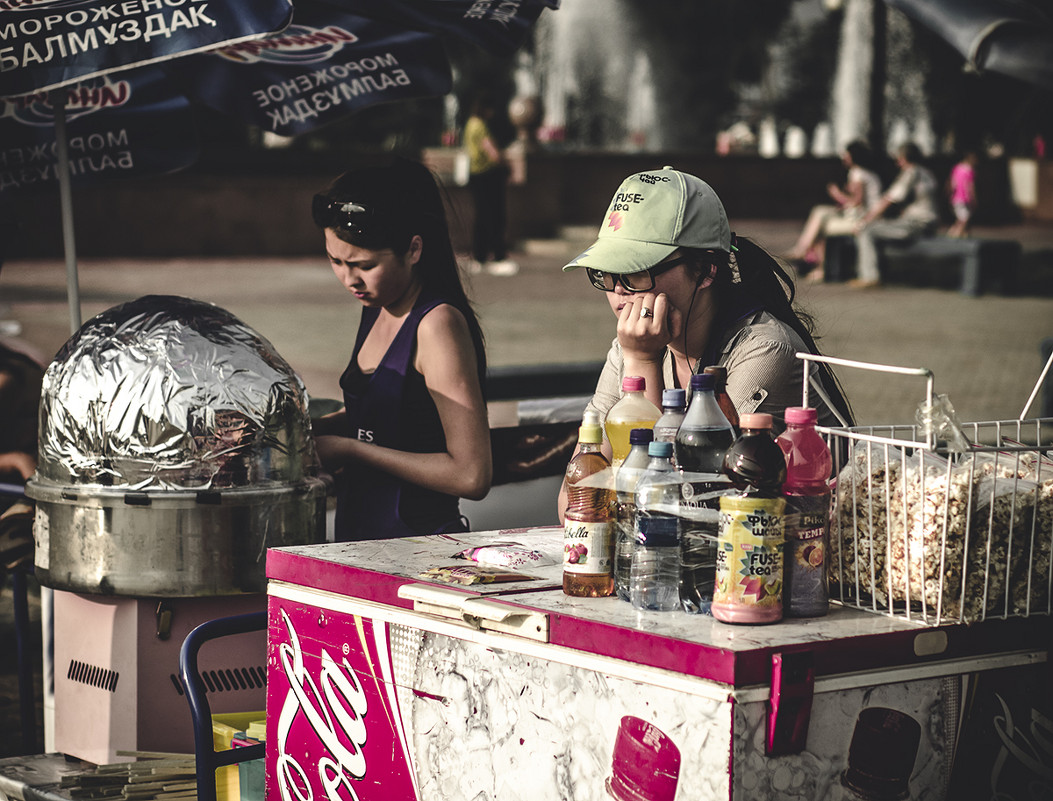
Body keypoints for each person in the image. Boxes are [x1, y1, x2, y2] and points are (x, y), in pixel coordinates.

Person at [557, 166, 854, 518]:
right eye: (606, 273)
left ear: (705, 270)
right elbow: (572, 505)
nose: (619, 290)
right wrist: (639, 358)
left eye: (638, 271)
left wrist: (644, 365)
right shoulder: (630, 348)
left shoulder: (763, 349)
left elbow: (678, 510)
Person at [310, 157, 492, 541]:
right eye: (335, 261)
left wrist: (350, 450)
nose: (348, 278)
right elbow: (388, 415)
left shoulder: (437, 325)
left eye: (364, 264)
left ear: (413, 250)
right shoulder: (376, 304)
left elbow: (472, 474)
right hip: (361, 542)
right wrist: (303, 432)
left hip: (417, 550)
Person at [786, 140, 883, 282]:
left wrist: (836, 194)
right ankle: (809, 258)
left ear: (853, 156)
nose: (844, 157)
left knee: (821, 224)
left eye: (846, 155)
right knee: (820, 212)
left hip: (862, 220)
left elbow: (856, 202)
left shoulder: (857, 173)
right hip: (863, 217)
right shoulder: (867, 173)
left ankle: (814, 264)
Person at [850, 142, 940, 289]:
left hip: (916, 223)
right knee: (877, 228)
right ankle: (874, 273)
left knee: (867, 230)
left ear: (904, 158)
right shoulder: (927, 173)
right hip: (929, 223)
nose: (897, 163)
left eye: (898, 159)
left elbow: (889, 199)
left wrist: (865, 220)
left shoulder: (912, 172)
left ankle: (869, 277)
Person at [463, 92, 519, 277]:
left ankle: (479, 256)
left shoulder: (470, 124)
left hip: (475, 174)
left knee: (481, 217)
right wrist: (506, 164)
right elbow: (493, 152)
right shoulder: (480, 126)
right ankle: (497, 256)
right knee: (495, 217)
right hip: (489, 176)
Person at [946, 151, 978, 238]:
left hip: (956, 198)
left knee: (961, 219)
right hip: (965, 198)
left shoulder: (956, 168)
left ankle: (954, 234)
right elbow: (970, 185)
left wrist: (951, 194)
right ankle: (955, 236)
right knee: (964, 219)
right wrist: (973, 197)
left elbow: (953, 183)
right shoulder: (969, 170)